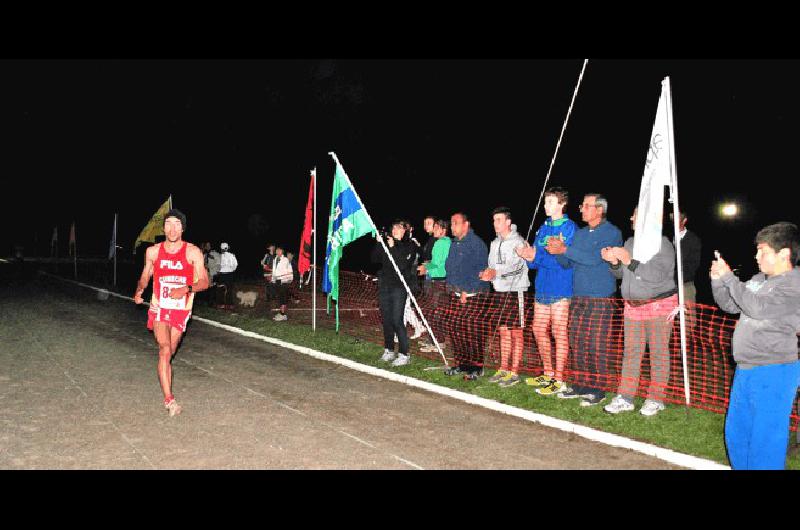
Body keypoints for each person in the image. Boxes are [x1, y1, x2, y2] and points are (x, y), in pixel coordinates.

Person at [711, 222, 800, 470]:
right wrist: (718, 280)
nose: (756, 256)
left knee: (765, 439)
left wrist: (729, 277)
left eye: (763, 250)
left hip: (775, 370)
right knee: (738, 433)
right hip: (746, 368)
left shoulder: (794, 282)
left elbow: (758, 308)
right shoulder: (759, 279)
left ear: (784, 253)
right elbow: (731, 305)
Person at [546, 193, 623, 406]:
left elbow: (593, 259)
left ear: (599, 209)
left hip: (600, 297)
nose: (582, 209)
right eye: (582, 205)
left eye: (586, 206)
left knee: (596, 344)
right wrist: (557, 250)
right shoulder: (579, 234)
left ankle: (597, 390)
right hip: (578, 296)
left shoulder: (612, 232)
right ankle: (579, 384)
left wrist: (566, 249)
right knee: (577, 342)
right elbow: (567, 263)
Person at [602, 207, 677, 417]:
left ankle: (655, 398)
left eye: (635, 215)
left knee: (658, 353)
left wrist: (628, 261)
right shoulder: (630, 242)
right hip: (633, 308)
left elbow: (656, 275)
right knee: (631, 354)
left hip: (658, 306)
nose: (631, 217)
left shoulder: (662, 244)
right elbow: (622, 275)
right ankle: (625, 397)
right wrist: (615, 263)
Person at [133, 209, 209, 417]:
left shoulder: (192, 252)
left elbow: (204, 281)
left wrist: (186, 289)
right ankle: (169, 400)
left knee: (171, 350)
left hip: (181, 309)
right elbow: (145, 276)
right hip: (159, 307)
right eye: (168, 224)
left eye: (176, 224)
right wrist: (139, 290)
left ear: (182, 228)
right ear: (163, 227)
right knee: (164, 350)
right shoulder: (153, 252)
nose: (172, 228)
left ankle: (165, 374)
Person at [516, 187, 576, 395]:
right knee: (538, 330)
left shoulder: (569, 228)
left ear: (561, 204)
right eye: (545, 202)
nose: (545, 205)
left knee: (559, 333)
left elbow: (564, 261)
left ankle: (559, 379)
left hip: (560, 288)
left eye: (550, 202)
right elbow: (535, 263)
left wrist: (536, 257)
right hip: (541, 287)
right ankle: (548, 373)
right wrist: (527, 254)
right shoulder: (542, 228)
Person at [480, 207, 529, 388]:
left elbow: (518, 267)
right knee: (503, 331)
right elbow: (492, 265)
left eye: (499, 220)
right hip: (499, 291)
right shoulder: (494, 243)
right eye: (494, 220)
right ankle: (503, 368)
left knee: (516, 332)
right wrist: (487, 273)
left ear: (508, 222)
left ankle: (514, 372)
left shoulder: (518, 241)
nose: (495, 224)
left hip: (515, 291)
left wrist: (496, 272)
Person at [443, 212, 490, 378]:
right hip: (455, 293)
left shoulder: (476, 244)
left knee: (473, 332)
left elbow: (480, 270)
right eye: (451, 223)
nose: (452, 226)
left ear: (466, 224)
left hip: (473, 295)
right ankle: (461, 365)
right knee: (456, 330)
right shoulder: (455, 244)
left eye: (456, 222)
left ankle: (476, 368)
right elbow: (451, 267)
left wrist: (467, 290)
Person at [371, 220, 417, 367]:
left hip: (399, 287)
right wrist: (379, 243)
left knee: (397, 319)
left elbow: (403, 265)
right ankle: (389, 349)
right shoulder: (387, 243)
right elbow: (374, 259)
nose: (396, 230)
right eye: (394, 227)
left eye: (399, 228)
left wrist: (393, 248)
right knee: (387, 319)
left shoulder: (410, 246)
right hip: (385, 285)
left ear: (405, 231)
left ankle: (404, 353)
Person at [417, 218, 451, 353]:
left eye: (437, 228)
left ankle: (438, 342)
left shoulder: (440, 243)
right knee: (438, 313)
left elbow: (436, 263)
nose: (434, 230)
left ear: (443, 230)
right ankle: (436, 340)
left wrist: (423, 268)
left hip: (437, 281)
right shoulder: (448, 242)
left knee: (435, 313)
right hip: (444, 281)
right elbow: (440, 261)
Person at [670, 210, 702, 329]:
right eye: (672, 219)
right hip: (667, 287)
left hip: (685, 286)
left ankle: (685, 346)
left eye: (677, 219)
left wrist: (675, 279)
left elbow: (692, 266)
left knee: (687, 323)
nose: (673, 222)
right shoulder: (667, 238)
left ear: (684, 220)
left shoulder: (693, 240)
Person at [270, 246, 294, 321]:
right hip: (277, 280)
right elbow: (274, 271)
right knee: (280, 298)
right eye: (277, 250)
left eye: (279, 250)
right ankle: (281, 313)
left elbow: (289, 269)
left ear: (282, 251)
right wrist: (273, 279)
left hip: (283, 281)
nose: (277, 251)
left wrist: (289, 278)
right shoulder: (275, 259)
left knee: (283, 298)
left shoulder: (285, 260)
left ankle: (283, 315)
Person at [216, 242, 238, 308]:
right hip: (229, 275)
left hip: (221, 275)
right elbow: (235, 264)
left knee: (220, 289)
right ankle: (229, 304)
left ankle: (221, 304)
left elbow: (217, 266)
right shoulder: (232, 255)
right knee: (229, 289)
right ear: (228, 248)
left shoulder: (218, 256)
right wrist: (232, 269)